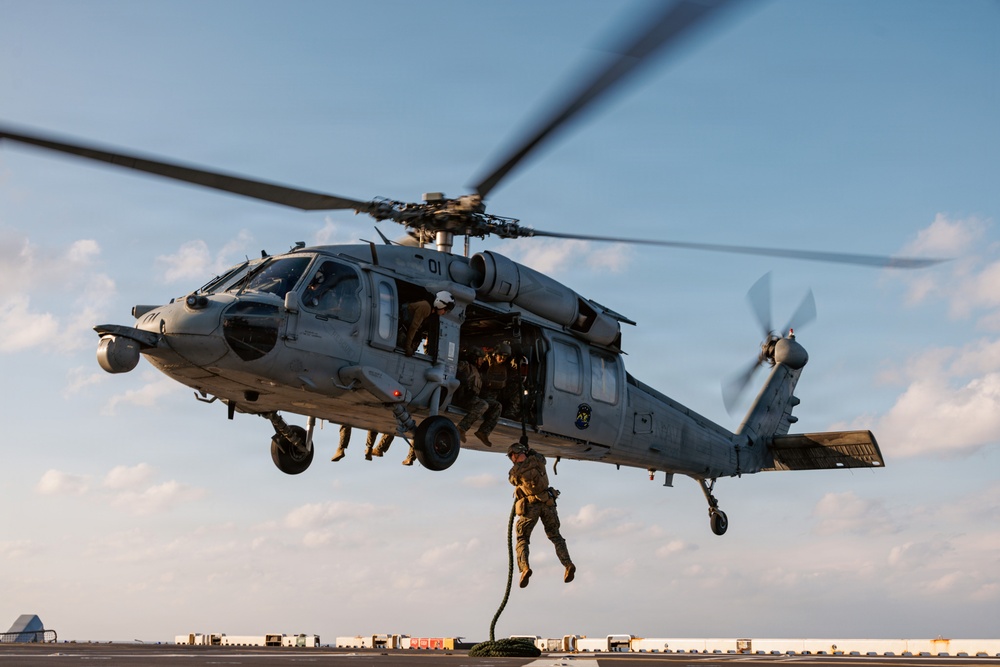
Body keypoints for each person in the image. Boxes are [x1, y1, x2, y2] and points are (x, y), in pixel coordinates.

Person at [507, 442, 575, 588]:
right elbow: (541, 458)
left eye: (511, 455)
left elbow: (512, 480)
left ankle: (524, 569)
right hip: (548, 503)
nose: (511, 459)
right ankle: (568, 564)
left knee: (522, 538)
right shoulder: (538, 459)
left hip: (531, 506)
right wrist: (530, 452)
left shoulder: (515, 471)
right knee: (555, 535)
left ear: (515, 454)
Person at [454, 347, 500, 444]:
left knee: (497, 406)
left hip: (473, 397)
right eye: (481, 358)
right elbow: (453, 370)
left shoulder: (478, 372)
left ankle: (483, 432)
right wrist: (461, 379)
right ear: (475, 358)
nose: (483, 361)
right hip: (463, 397)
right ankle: (461, 428)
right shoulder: (466, 365)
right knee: (483, 405)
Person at [475, 342, 514, 446]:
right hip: (484, 394)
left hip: (497, 393)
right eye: (500, 356)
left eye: (505, 357)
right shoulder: (487, 362)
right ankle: (483, 432)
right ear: (495, 354)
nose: (502, 358)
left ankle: (512, 412)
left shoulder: (505, 366)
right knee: (497, 407)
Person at [400, 290, 455, 357]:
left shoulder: (430, 311)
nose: (444, 313)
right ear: (440, 304)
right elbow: (414, 327)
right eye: (445, 309)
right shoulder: (426, 307)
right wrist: (407, 346)